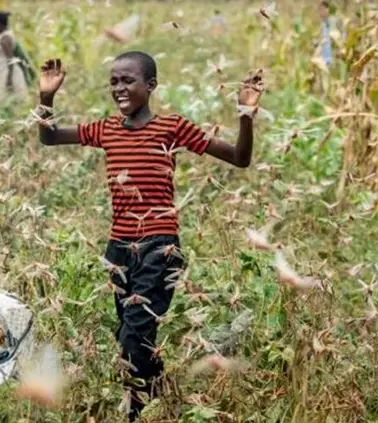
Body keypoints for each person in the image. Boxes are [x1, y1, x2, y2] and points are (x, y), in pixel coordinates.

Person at [35, 53, 263, 421]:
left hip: (160, 247)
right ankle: (160, 398)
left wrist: (245, 114)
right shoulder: (106, 129)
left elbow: (239, 157)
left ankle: (137, 413)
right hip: (119, 251)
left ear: (151, 86)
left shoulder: (172, 127)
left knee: (132, 339)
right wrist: (46, 97)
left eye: (128, 81)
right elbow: (48, 137)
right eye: (114, 82)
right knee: (131, 337)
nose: (119, 88)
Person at [0, 11, 29, 113]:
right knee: (7, 104)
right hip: (2, 75)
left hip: (10, 75)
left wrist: (9, 80)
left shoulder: (5, 38)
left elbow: (10, 60)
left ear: (0, 24)